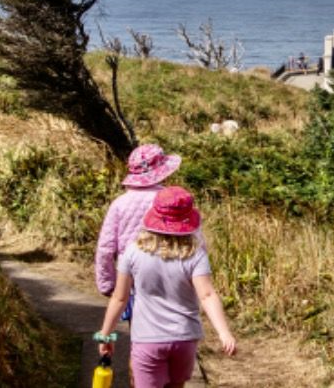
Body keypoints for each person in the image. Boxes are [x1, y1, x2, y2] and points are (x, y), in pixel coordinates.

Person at [95, 187, 237, 388]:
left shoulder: (133, 253)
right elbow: (207, 295)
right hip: (185, 339)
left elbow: (119, 299)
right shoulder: (195, 254)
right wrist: (224, 332)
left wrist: (106, 335)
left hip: (147, 339)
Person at [95, 144, 182, 298]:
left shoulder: (119, 203)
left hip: (128, 274)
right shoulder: (170, 199)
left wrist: (107, 284)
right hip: (164, 271)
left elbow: (106, 248)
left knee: (136, 319)